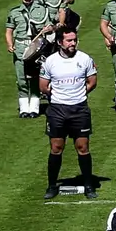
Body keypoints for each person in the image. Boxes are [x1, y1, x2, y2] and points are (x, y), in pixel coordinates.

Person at [40, 28, 99, 199]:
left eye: (74, 40)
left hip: (79, 109)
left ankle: (89, 185)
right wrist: (60, 97)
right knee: (56, 148)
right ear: (59, 42)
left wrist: (77, 95)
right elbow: (43, 86)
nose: (73, 43)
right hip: (57, 110)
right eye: (69, 40)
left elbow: (92, 82)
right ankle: (52, 186)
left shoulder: (85, 59)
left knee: (83, 147)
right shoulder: (50, 61)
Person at [6, 0, 51, 117]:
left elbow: (49, 27)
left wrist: (48, 29)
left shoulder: (42, 9)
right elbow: (9, 30)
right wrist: (9, 44)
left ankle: (34, 108)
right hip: (20, 46)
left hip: (35, 47)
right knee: (21, 78)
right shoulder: (14, 12)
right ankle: (24, 108)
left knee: (34, 77)